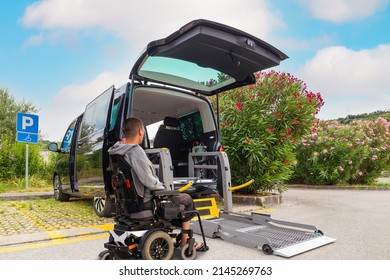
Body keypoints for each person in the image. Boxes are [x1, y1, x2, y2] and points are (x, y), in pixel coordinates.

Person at [108, 117, 205, 251]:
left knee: (178, 201)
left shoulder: (116, 152)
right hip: (144, 203)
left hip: (127, 205)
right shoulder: (135, 151)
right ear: (141, 131)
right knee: (187, 200)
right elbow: (148, 180)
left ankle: (178, 237)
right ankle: (185, 242)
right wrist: (165, 190)